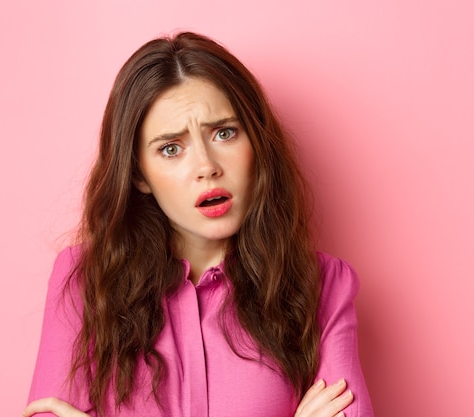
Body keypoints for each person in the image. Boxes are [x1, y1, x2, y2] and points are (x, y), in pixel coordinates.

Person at [23, 32, 374, 417]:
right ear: (139, 175)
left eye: (224, 133)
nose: (207, 166)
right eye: (171, 148)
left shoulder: (324, 285)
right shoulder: (84, 281)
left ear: (257, 143)